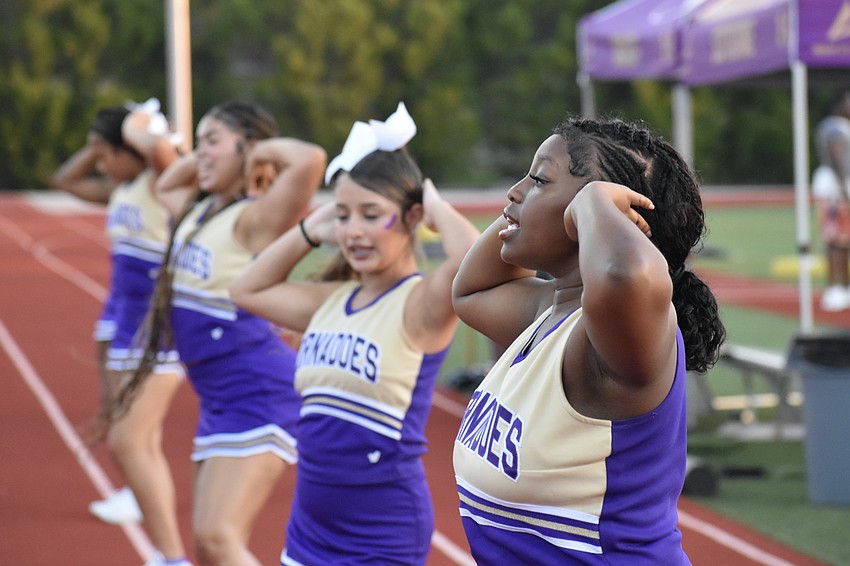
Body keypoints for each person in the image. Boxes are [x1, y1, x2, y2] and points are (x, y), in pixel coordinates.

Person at [451, 116, 726, 565]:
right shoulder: (549, 314)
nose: (514, 191)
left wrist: (594, 201)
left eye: (539, 179)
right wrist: (539, 204)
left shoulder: (616, 338)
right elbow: (470, 291)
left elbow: (624, 273)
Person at [229, 102, 480, 565]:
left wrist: (435, 205)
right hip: (309, 526)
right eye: (343, 216)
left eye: (371, 214)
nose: (354, 232)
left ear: (411, 219)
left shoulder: (419, 304)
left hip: (381, 532)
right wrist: (310, 228)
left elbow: (474, 263)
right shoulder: (331, 301)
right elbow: (246, 288)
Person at [118, 100, 326, 566]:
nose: (201, 154)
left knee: (216, 538)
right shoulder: (199, 211)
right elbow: (167, 180)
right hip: (219, 401)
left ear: (248, 149)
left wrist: (254, 154)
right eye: (199, 143)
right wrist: (213, 156)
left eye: (211, 141)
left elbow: (310, 159)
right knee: (208, 546)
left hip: (257, 393)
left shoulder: (254, 219)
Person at [49, 100, 194, 566]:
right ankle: (145, 509)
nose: (100, 162)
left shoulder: (158, 183)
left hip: (157, 324)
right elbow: (64, 181)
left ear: (134, 150)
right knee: (134, 436)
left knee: (129, 440)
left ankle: (170, 556)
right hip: (124, 316)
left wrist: (138, 131)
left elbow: (164, 157)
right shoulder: (124, 187)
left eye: (106, 153)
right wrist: (100, 148)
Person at [812, 91, 850, 311]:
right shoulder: (835, 127)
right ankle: (837, 287)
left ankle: (841, 287)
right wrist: (842, 187)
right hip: (836, 191)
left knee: (839, 242)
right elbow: (835, 153)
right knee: (837, 241)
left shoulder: (837, 126)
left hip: (836, 189)